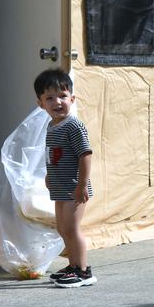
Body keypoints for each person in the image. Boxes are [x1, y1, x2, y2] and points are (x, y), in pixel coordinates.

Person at [34, 68, 97, 288]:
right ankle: (73, 265)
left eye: (62, 96)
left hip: (74, 188)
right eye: (49, 98)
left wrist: (81, 185)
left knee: (72, 228)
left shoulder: (73, 126)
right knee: (62, 228)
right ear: (41, 104)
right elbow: (53, 155)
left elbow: (85, 155)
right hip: (60, 188)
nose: (57, 102)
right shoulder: (52, 126)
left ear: (72, 98)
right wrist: (49, 176)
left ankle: (83, 271)